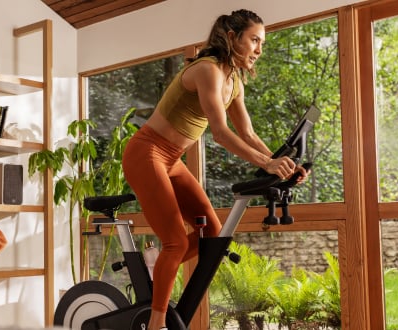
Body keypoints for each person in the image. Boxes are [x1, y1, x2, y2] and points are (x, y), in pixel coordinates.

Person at [120, 9, 308, 330]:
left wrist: (282, 166)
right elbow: (221, 134)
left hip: (172, 158)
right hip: (146, 152)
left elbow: (247, 134)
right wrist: (268, 163)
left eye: (262, 42)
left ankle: (158, 265)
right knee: (177, 242)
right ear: (232, 37)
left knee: (212, 233)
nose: (259, 49)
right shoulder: (208, 70)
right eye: (254, 40)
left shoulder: (234, 81)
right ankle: (156, 323)